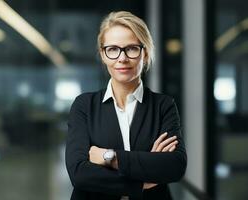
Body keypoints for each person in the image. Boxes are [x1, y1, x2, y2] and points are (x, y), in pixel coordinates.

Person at [65, 11, 187, 200]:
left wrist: (109, 157)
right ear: (103, 55)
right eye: (113, 49)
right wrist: (142, 180)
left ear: (145, 53)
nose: (122, 58)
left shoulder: (163, 106)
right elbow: (79, 173)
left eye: (131, 48)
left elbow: (174, 166)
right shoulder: (84, 106)